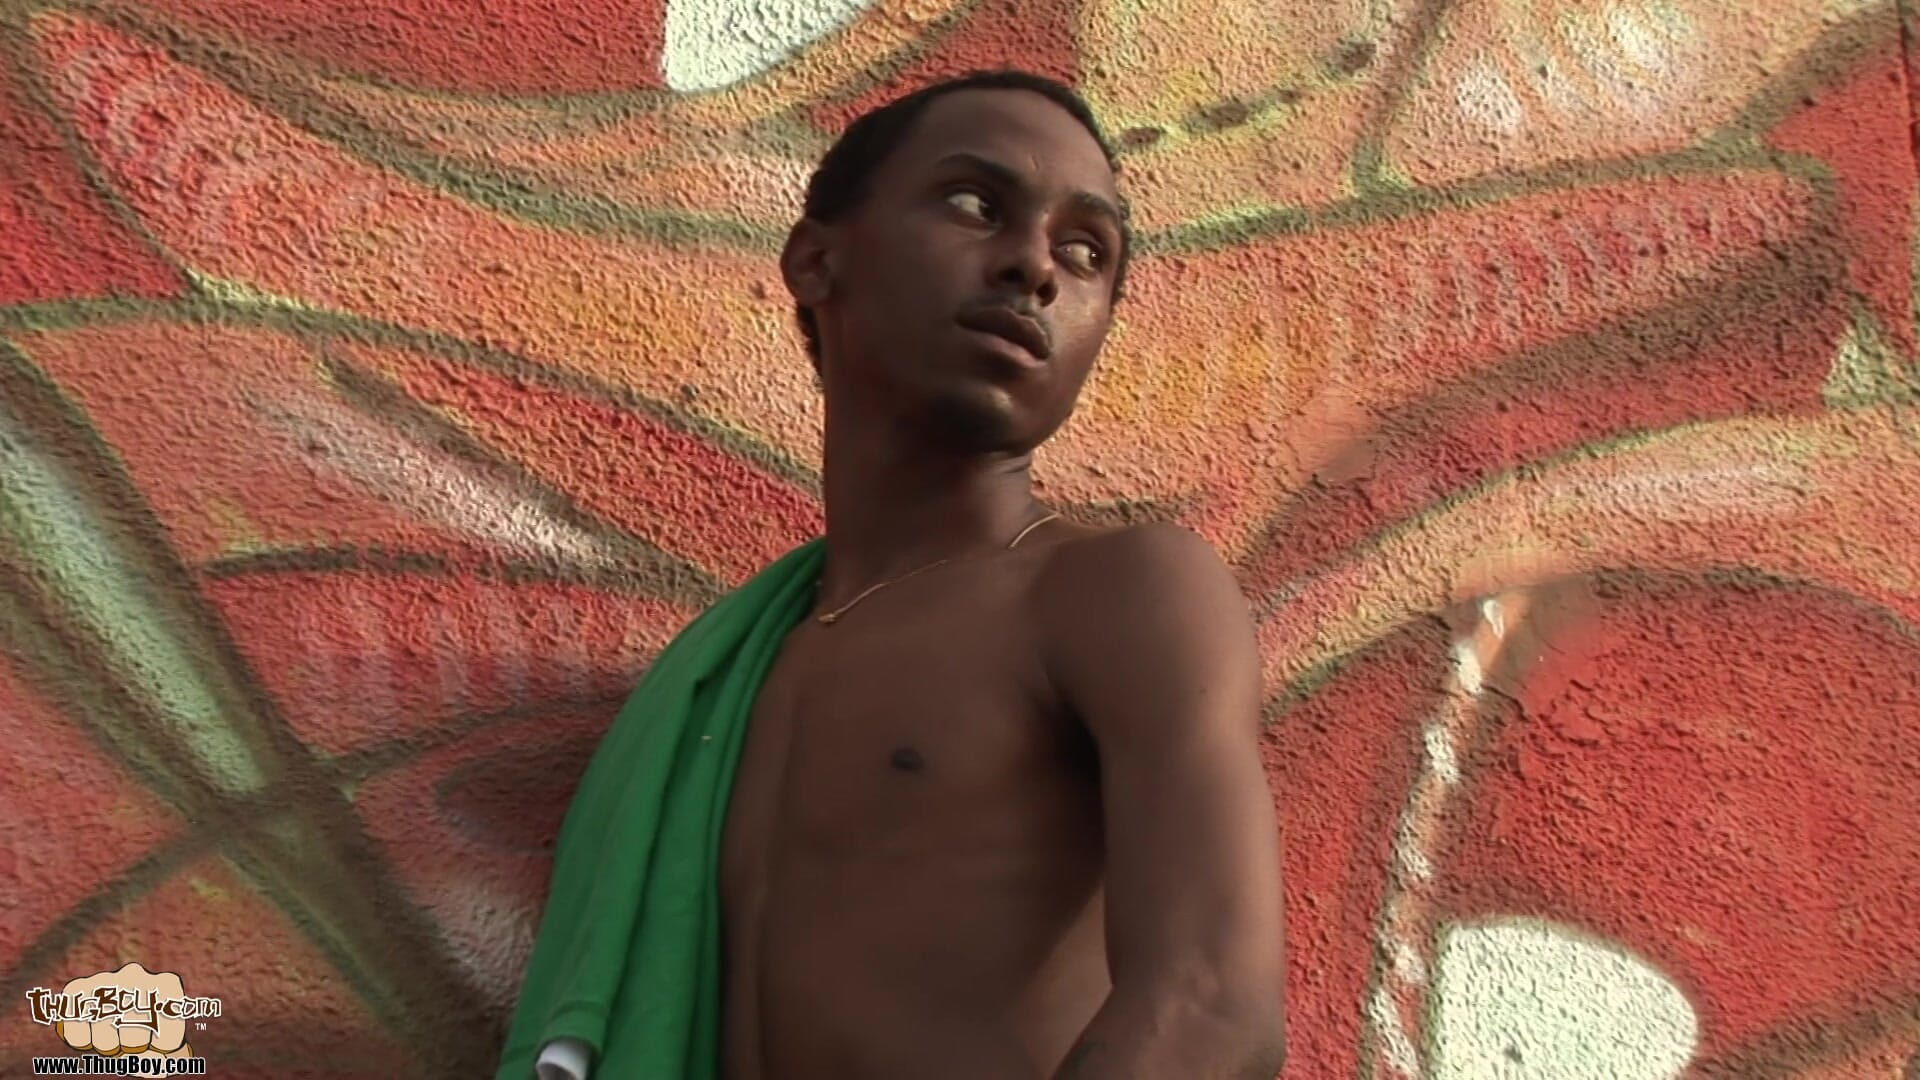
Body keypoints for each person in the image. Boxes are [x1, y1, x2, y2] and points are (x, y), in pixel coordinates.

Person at [496, 69, 1287, 1080]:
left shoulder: (1115, 591)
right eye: (975, 204)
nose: (1035, 267)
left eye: (1086, 251)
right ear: (817, 260)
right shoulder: (722, 678)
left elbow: (1209, 1010)